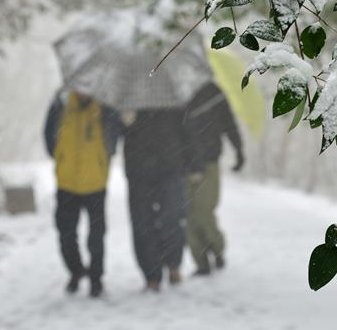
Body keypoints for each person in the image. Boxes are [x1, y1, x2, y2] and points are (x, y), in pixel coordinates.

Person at [44, 90, 122, 297]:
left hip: (95, 183)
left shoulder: (105, 107)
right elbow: (48, 136)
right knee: (66, 234)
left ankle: (96, 278)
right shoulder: (60, 104)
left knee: (96, 236)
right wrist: (60, 157)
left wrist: (102, 158)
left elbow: (114, 140)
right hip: (66, 182)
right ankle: (76, 271)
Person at [122, 108, 190, 292]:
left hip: (170, 168)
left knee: (172, 220)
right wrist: (124, 122)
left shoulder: (173, 98)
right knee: (142, 224)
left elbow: (186, 129)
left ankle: (173, 265)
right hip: (138, 171)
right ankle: (152, 275)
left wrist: (192, 162)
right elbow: (112, 132)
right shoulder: (129, 99)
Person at [182, 82, 244, 275]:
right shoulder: (173, 93)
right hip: (183, 164)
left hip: (209, 161)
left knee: (204, 212)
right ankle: (201, 262)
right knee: (189, 215)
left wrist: (238, 149)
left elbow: (228, 122)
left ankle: (217, 250)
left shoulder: (212, 93)